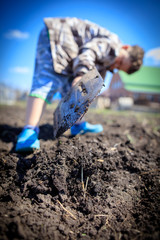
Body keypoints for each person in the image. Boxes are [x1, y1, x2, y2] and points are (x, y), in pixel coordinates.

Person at [15, 17, 144, 152]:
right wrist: (81, 75)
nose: (116, 65)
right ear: (125, 47)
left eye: (119, 68)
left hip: (71, 50)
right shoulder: (112, 45)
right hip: (57, 37)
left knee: (75, 89)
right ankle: (29, 130)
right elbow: (88, 53)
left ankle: (77, 125)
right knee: (47, 79)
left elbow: (96, 79)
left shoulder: (110, 61)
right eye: (121, 61)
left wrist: (90, 92)